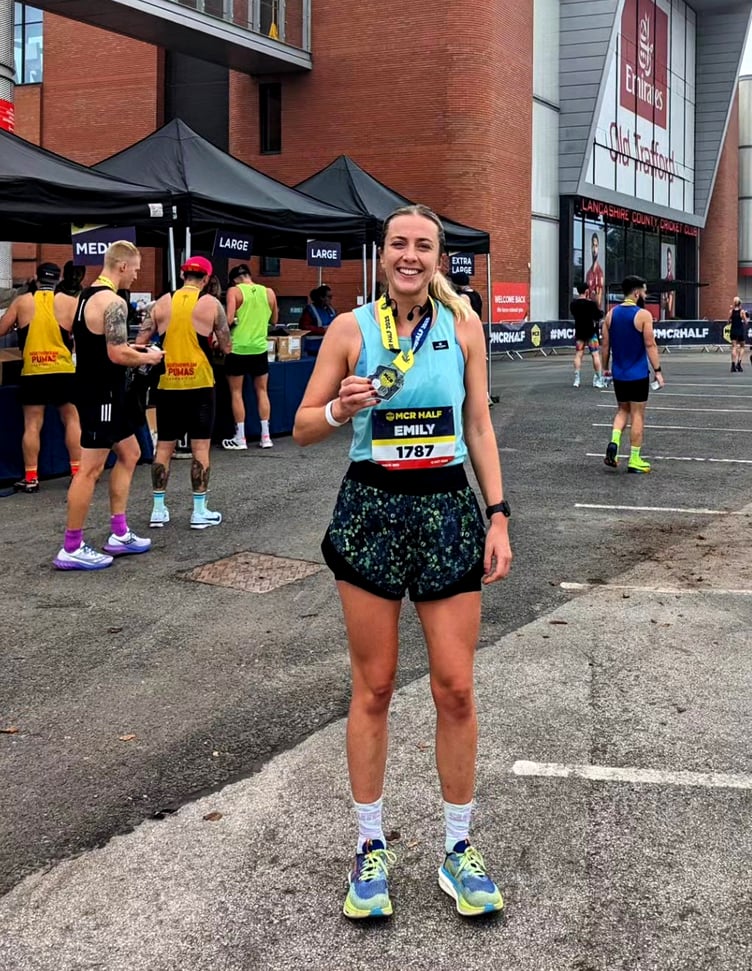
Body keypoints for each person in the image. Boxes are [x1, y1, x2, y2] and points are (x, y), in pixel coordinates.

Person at [294, 204, 512, 920]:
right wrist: (337, 409)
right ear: (382, 254)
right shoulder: (351, 329)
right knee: (376, 686)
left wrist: (499, 513)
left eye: (422, 245)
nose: (409, 255)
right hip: (373, 508)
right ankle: (369, 847)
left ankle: (458, 847)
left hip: (447, 505)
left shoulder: (465, 326)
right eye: (398, 244)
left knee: (454, 687)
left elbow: (477, 421)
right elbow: (300, 426)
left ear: (438, 257)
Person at [53, 241, 164, 570]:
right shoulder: (113, 301)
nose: (138, 273)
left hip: (108, 391)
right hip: (102, 394)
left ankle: (119, 532)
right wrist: (148, 355)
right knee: (90, 469)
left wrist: (131, 347)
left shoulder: (86, 296)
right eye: (136, 267)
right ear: (122, 267)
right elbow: (116, 355)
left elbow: (100, 344)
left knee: (130, 453)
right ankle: (71, 546)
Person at [136, 256, 232, 530]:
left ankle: (158, 510)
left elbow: (140, 343)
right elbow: (226, 347)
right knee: (200, 446)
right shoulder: (211, 304)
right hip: (200, 383)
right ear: (206, 279)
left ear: (182, 275)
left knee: (164, 445)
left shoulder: (160, 303)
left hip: (168, 384)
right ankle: (199, 511)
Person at [0, 262, 81, 493]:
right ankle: (77, 472)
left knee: (32, 424)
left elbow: (2, 329)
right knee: (72, 419)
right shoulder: (69, 302)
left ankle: (31, 477)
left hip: (34, 370)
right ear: (58, 279)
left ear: (36, 278)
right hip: (63, 370)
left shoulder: (23, 302)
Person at [600, 275, 664, 474]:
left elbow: (605, 346)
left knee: (622, 411)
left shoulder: (610, 315)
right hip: (637, 374)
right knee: (637, 414)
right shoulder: (643, 315)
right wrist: (658, 371)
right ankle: (635, 459)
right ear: (636, 292)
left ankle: (614, 443)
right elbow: (650, 344)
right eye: (643, 291)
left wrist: (605, 367)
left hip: (619, 373)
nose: (644, 294)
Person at [222, 263, 278, 450]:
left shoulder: (234, 292)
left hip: (238, 348)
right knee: (262, 391)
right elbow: (275, 320)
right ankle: (266, 436)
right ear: (249, 275)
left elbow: (228, 320)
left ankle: (240, 437)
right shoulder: (268, 292)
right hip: (260, 347)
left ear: (235, 279)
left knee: (236, 393)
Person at [570, 281, 605, 389]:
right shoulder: (591, 304)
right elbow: (599, 315)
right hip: (591, 332)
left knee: (578, 354)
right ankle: (599, 379)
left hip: (579, 332)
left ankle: (577, 379)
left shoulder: (573, 304)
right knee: (595, 354)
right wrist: (596, 301)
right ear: (586, 291)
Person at [728, 297, 748, 373]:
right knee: (742, 346)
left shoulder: (731, 311)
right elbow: (745, 321)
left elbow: (728, 321)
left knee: (734, 347)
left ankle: (733, 365)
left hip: (733, 330)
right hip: (740, 330)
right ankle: (739, 363)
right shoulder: (742, 311)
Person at [585, 232, 604, 310]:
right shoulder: (588, 273)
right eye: (593, 245)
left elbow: (599, 295)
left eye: (596, 246)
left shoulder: (600, 273)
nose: (594, 249)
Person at [661, 247, 675, 320]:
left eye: (669, 259)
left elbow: (671, 295)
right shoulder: (666, 276)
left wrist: (668, 303)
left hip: (668, 308)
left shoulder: (671, 277)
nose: (668, 262)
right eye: (667, 259)